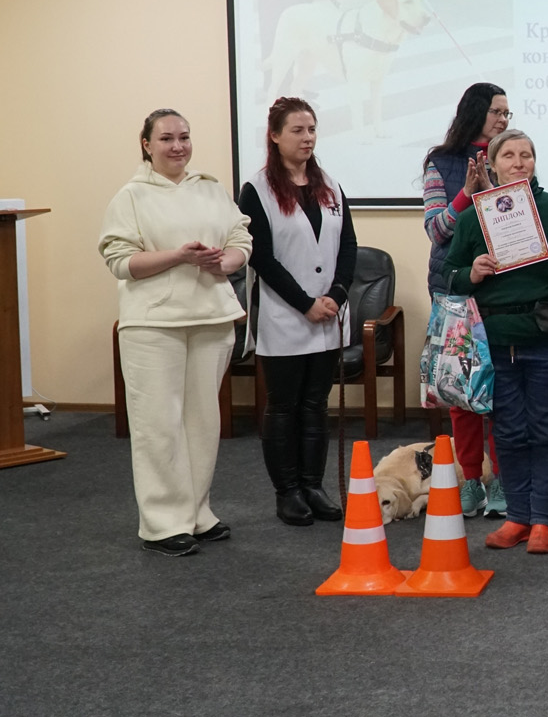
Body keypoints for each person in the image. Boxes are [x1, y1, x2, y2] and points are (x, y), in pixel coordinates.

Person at [100, 109, 252, 556]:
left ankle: (197, 513)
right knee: (158, 425)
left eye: (184, 137)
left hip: (211, 317)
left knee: (203, 423)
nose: (178, 146)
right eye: (166, 138)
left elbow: (241, 238)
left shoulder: (211, 188)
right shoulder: (130, 196)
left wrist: (225, 262)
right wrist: (178, 256)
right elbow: (120, 262)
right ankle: (163, 523)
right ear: (147, 144)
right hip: (153, 324)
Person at [442, 129, 548, 555]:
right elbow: (448, 276)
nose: (518, 162)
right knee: (509, 433)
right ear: (492, 165)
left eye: (526, 155)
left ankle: (543, 521)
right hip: (495, 345)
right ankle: (517, 517)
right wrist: (471, 273)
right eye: (508, 155)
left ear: (534, 161)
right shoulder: (473, 218)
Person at [238, 97, 357, 528]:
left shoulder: (330, 185)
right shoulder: (257, 190)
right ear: (274, 136)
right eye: (297, 130)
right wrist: (305, 303)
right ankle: (287, 491)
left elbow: (348, 245)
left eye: (312, 130)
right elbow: (262, 257)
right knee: (284, 405)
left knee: (315, 405)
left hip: (328, 313)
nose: (308, 138)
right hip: (286, 315)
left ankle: (313, 486)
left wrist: (337, 295)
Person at [423, 82, 511, 519]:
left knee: (501, 390)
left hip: (502, 287)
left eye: (507, 114)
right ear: (475, 112)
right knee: (463, 393)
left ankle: (502, 481)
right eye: (497, 112)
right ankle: (472, 480)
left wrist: (492, 187)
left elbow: (517, 222)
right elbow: (437, 229)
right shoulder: (440, 162)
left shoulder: (509, 156)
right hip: (454, 287)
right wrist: (467, 193)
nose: (503, 120)